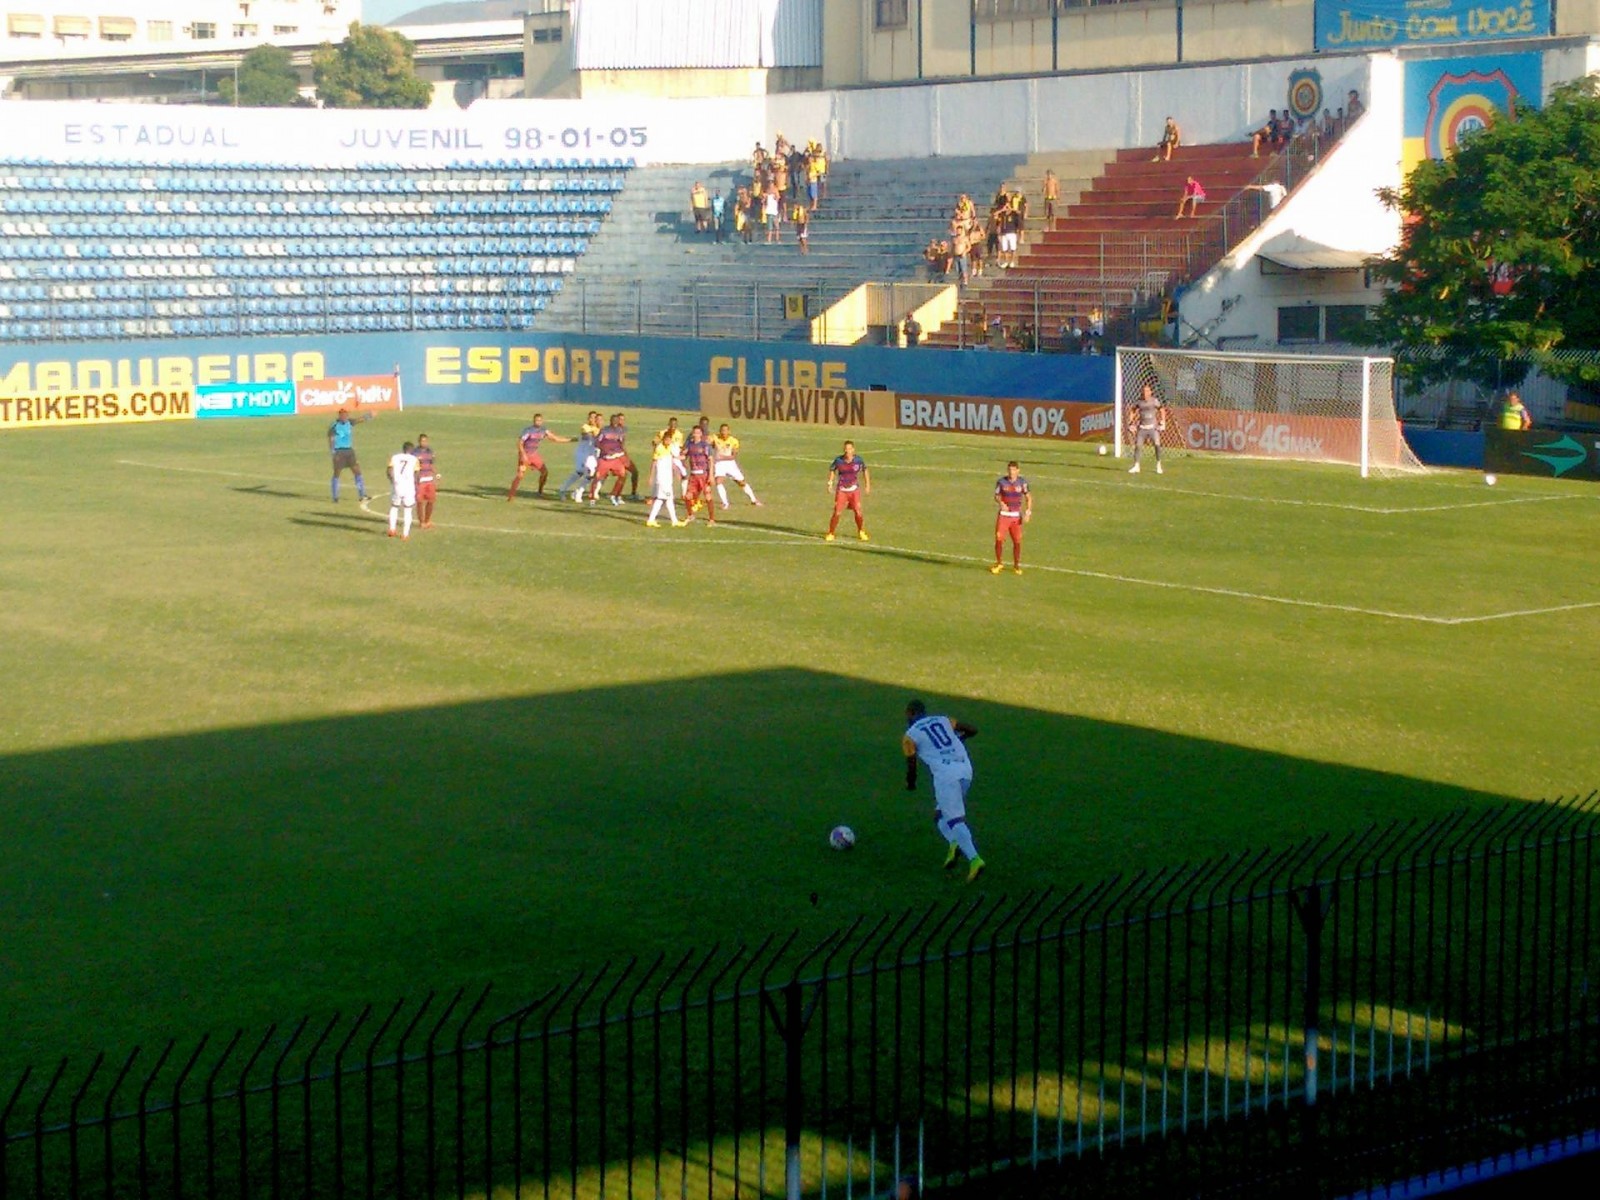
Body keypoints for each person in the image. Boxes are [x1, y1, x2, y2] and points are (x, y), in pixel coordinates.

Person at [902, 699, 985, 882]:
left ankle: (974, 859)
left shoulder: (910, 735)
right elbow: (972, 730)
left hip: (946, 777)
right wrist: (957, 740)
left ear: (910, 713)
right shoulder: (943, 720)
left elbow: (912, 763)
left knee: (955, 820)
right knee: (940, 815)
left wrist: (911, 783)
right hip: (966, 771)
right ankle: (954, 843)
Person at [507, 413, 570, 501]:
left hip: (534, 454)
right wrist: (523, 455)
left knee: (544, 472)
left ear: (542, 421)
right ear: (533, 421)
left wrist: (570, 440)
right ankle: (511, 496)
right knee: (520, 475)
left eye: (540, 420)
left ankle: (540, 491)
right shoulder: (528, 430)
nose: (538, 422)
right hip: (525, 454)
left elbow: (554, 438)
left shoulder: (544, 430)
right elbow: (519, 443)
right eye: (536, 420)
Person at [989, 460, 1032, 575]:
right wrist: (1001, 503)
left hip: (1016, 517)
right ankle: (999, 563)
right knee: (999, 539)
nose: (1011, 472)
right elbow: (997, 496)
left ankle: (1016, 565)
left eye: (1013, 470)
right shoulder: (1001, 482)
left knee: (1017, 541)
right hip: (1004, 516)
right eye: (1009, 470)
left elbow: (1028, 497)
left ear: (1018, 471)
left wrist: (1028, 512)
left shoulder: (1022, 482)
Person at [824, 440, 870, 542]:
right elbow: (832, 470)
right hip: (842, 490)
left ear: (853, 450)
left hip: (854, 490)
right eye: (845, 449)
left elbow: (865, 470)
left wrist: (867, 485)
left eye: (849, 449)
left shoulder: (858, 460)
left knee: (858, 511)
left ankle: (861, 531)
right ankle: (831, 532)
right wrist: (830, 483)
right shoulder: (838, 460)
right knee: (837, 512)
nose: (847, 451)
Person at [711, 423, 762, 509]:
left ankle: (753, 500)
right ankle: (725, 503)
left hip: (730, 463)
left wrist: (723, 457)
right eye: (722, 430)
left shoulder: (734, 441)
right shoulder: (715, 438)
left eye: (725, 430)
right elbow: (708, 442)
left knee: (741, 482)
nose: (723, 432)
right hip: (719, 464)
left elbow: (733, 456)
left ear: (729, 431)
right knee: (719, 481)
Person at [327, 406, 370, 504]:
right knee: (337, 473)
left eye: (346, 415)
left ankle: (362, 494)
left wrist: (368, 416)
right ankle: (335, 496)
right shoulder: (334, 425)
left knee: (357, 471)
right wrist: (333, 451)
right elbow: (331, 438)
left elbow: (359, 420)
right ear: (340, 415)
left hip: (349, 451)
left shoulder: (349, 422)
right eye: (343, 415)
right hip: (339, 451)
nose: (345, 416)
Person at [588, 412, 632, 506]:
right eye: (614, 420)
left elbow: (621, 444)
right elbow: (597, 442)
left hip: (616, 458)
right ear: (611, 421)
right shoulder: (604, 431)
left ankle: (614, 494)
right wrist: (604, 450)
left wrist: (622, 455)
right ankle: (592, 498)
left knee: (623, 475)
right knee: (597, 477)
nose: (616, 422)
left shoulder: (620, 431)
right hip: (605, 458)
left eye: (617, 420)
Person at [644, 433, 687, 528]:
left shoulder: (669, 448)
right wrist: (651, 477)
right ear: (663, 439)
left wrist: (676, 472)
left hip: (668, 478)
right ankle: (673, 521)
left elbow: (671, 461)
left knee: (663, 499)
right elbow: (654, 463)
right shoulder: (659, 448)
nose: (668, 442)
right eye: (667, 440)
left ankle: (652, 520)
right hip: (662, 479)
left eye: (670, 440)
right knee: (667, 499)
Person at [1126, 381, 1168, 475]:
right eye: (1144, 391)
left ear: (1150, 392)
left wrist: (1163, 422)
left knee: (1157, 445)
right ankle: (1136, 466)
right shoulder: (1139, 402)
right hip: (1142, 428)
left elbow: (1161, 409)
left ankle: (1158, 465)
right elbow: (1133, 410)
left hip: (1153, 428)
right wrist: (1131, 423)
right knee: (1138, 446)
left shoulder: (1154, 401)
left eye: (1147, 391)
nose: (1145, 393)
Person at [682, 425, 718, 525]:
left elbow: (711, 460)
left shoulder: (705, 446)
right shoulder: (689, 445)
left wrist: (711, 475)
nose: (696, 435)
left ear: (701, 434)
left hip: (704, 475)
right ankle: (690, 515)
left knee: (708, 496)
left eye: (698, 433)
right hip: (693, 476)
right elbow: (684, 455)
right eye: (694, 433)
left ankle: (711, 519)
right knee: (687, 497)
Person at [386, 440, 419, 540]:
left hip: (397, 485)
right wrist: (415, 483)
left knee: (394, 507)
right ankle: (405, 534)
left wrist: (392, 480)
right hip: (408, 487)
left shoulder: (395, 457)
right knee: (408, 510)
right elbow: (416, 474)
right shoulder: (414, 459)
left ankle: (392, 529)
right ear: (411, 449)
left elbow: (389, 470)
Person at [413, 432, 438, 529]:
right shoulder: (415, 452)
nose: (424, 443)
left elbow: (431, 464)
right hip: (420, 479)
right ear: (419, 442)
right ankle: (421, 521)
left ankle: (428, 520)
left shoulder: (430, 452)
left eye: (426, 441)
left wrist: (436, 474)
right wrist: (415, 478)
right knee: (420, 501)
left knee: (431, 500)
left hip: (429, 479)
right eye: (422, 441)